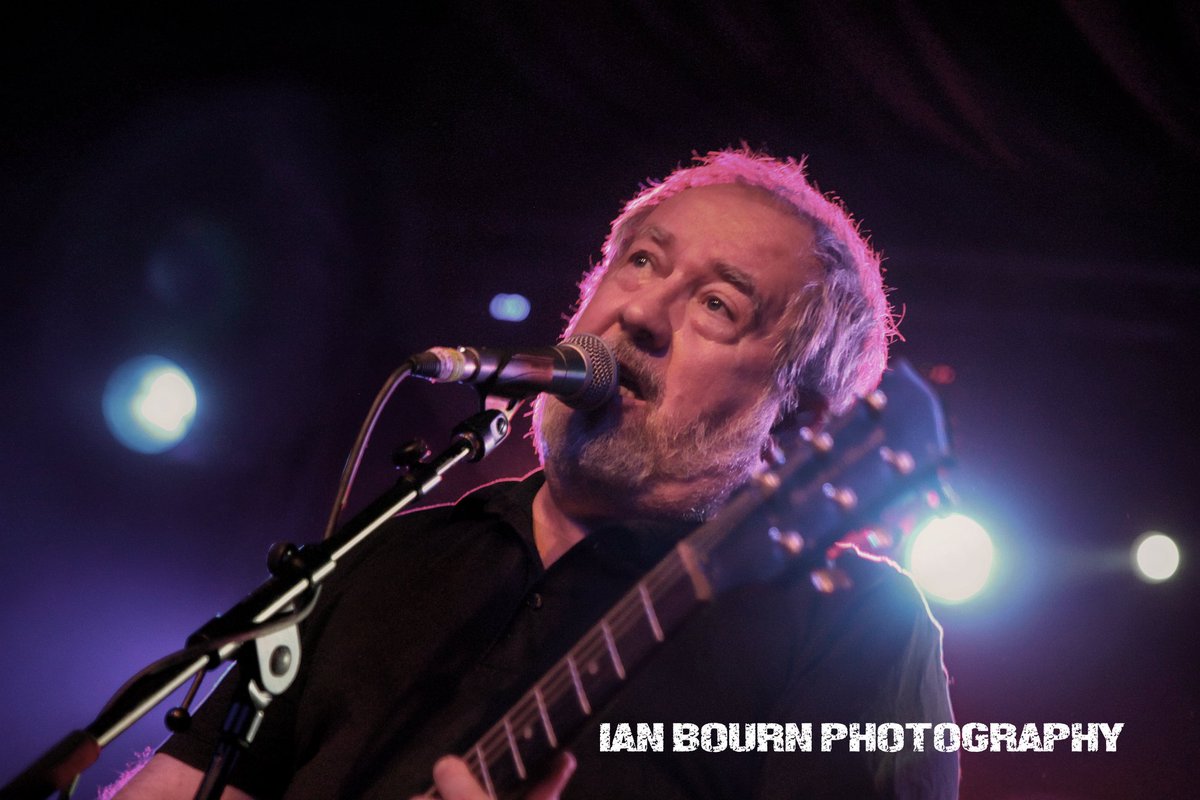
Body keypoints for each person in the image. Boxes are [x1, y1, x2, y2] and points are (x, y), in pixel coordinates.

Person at [115, 148, 958, 799]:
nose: (641, 314)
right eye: (641, 263)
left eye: (717, 305)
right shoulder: (390, 554)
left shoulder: (849, 623)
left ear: (795, 420)